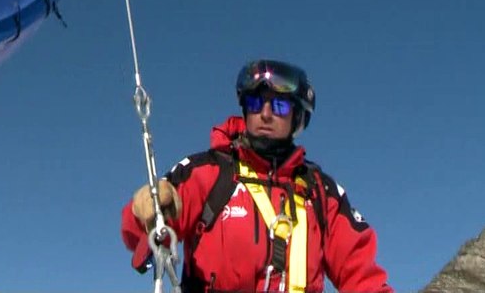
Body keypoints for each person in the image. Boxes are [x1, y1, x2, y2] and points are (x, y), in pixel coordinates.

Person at [120, 60, 392, 293]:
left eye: (280, 107)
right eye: (255, 103)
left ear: (298, 117)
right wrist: (145, 211)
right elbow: (146, 230)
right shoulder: (207, 173)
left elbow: (362, 278)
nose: (265, 114)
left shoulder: (321, 193)